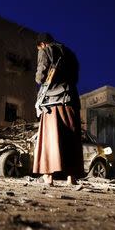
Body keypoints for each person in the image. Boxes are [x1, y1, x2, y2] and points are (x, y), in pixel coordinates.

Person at [32, 33, 84, 186]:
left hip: (52, 102)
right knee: (70, 139)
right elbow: (75, 79)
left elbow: (40, 78)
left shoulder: (46, 50)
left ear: (42, 44)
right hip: (71, 101)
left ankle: (48, 177)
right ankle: (71, 178)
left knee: (49, 139)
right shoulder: (71, 54)